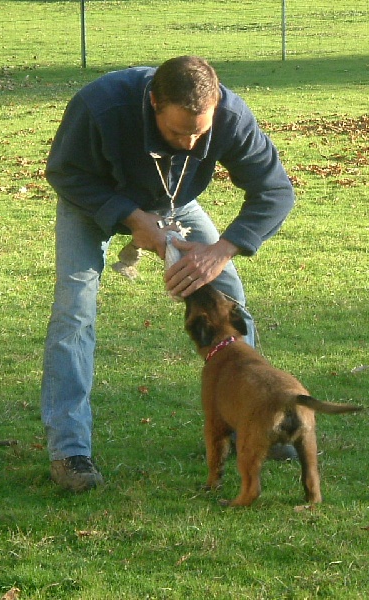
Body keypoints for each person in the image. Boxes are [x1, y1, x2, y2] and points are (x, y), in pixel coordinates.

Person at [42, 55, 295, 493]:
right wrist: (132, 219)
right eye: (177, 132)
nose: (190, 145)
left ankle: (247, 424)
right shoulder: (100, 106)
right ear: (153, 102)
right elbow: (65, 172)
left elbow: (274, 191)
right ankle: (70, 451)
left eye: (199, 134)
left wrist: (220, 251)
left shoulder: (231, 117)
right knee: (75, 306)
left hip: (174, 202)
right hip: (95, 200)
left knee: (229, 290)